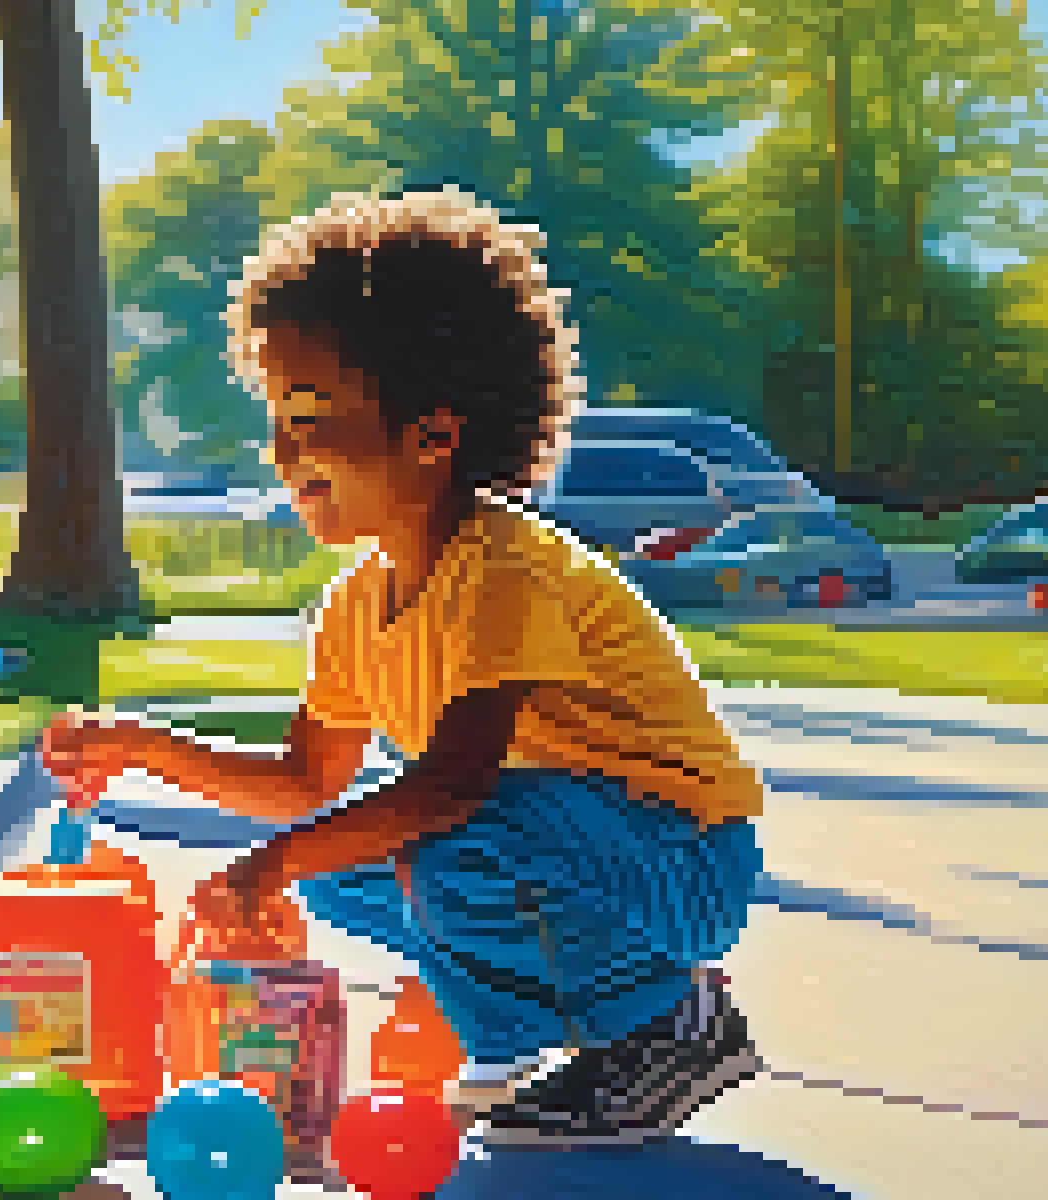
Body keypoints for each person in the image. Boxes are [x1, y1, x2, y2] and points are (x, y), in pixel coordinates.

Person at [39, 188, 767, 1149]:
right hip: (573, 850)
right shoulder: (356, 603)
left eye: (309, 415)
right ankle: (534, 1047)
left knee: (444, 838)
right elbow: (306, 782)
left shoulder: (502, 570)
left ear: (433, 434)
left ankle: (667, 1025)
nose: (282, 453)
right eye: (276, 418)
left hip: (680, 858)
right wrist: (141, 749)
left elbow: (456, 785)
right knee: (338, 870)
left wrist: (270, 862)